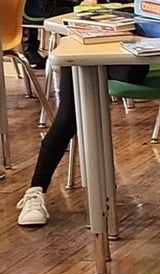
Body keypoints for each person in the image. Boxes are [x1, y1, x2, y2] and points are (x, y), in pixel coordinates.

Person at [16, 0, 148, 228]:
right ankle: (35, 190)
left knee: (131, 73)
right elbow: (51, 11)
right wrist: (87, 10)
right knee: (68, 117)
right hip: (82, 41)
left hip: (133, 44)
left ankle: (99, 190)